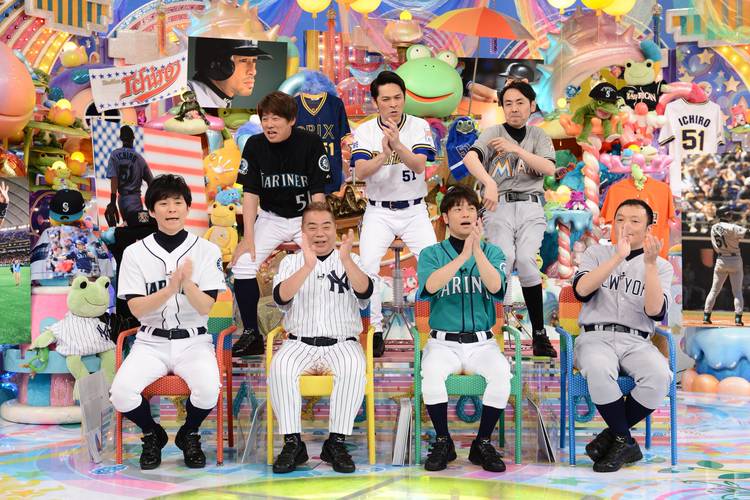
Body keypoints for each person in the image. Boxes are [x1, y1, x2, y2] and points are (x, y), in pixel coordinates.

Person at [109, 174, 226, 470]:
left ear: (187, 208)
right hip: (150, 342)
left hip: (194, 341)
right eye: (163, 203)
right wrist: (170, 289)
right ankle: (153, 434)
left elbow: (206, 306)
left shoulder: (207, 250)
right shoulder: (134, 253)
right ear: (151, 211)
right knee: (120, 393)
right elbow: (136, 309)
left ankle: (189, 433)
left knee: (209, 389)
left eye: (177, 202)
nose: (171, 209)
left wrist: (186, 285)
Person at [268, 202, 373, 474]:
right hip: (299, 342)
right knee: (280, 367)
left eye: (326, 226)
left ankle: (336, 443)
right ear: (302, 231)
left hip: (342, 343)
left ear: (335, 229)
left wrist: (347, 261)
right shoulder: (291, 261)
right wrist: (307, 266)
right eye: (312, 227)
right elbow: (281, 298)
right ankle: (293, 443)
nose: (319, 233)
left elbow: (365, 292)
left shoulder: (351, 259)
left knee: (353, 367)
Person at [572, 199, 673, 473]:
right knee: (598, 368)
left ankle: (616, 438)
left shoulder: (661, 266)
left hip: (636, 341)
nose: (625, 225)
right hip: (596, 337)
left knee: (659, 376)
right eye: (620, 219)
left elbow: (655, 311)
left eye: (634, 221)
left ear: (648, 228)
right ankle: (624, 441)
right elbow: (581, 291)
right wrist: (617, 256)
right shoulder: (596, 253)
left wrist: (649, 265)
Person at [417, 185, 510, 472]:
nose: (466, 213)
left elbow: (495, 288)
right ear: (446, 217)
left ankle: (482, 443)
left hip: (482, 343)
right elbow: (431, 286)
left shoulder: (493, 252)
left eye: (471, 208)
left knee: (502, 373)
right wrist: (461, 257)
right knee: (431, 373)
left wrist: (477, 251)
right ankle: (443, 441)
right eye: (458, 209)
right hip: (443, 343)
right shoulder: (431, 253)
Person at [230, 91, 330, 357]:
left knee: (324, 263)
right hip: (271, 217)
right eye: (265, 118)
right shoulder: (254, 144)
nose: (269, 124)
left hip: (304, 218)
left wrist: (319, 229)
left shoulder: (310, 142)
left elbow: (318, 193)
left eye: (275, 118)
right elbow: (250, 194)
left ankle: (322, 328)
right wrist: (248, 237)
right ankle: (251, 333)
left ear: (291, 120)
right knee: (243, 265)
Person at [462, 80, 558, 358]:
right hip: (499, 205)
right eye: (508, 103)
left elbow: (548, 168)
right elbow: (470, 159)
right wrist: (489, 182)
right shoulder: (493, 132)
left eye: (520, 103)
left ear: (531, 105)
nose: (514, 108)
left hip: (530, 206)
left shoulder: (539, 135)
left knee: (526, 260)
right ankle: (490, 330)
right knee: (502, 259)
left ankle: (539, 333)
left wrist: (516, 150)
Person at [350, 70, 437, 357]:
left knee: (434, 264)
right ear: (376, 102)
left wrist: (398, 144)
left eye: (397, 97)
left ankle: (434, 329)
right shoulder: (365, 131)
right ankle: (374, 331)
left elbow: (420, 165)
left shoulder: (419, 126)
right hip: (379, 211)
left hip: (414, 209)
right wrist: (384, 155)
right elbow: (361, 171)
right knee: (367, 267)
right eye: (386, 99)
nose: (393, 104)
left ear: (404, 98)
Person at [189, 37, 271, 108]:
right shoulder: (187, 94)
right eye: (243, 60)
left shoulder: (221, 102)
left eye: (254, 60)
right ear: (218, 65)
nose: (253, 71)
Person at [106, 126, 153, 226]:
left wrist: (113, 202)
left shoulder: (114, 154)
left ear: (121, 138)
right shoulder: (139, 158)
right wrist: (151, 204)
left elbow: (114, 178)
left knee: (128, 226)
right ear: (133, 138)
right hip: (134, 199)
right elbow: (151, 181)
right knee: (140, 226)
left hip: (121, 199)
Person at [703, 222, 747, 326]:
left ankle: (706, 316)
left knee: (714, 290)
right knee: (737, 292)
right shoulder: (731, 226)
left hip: (721, 259)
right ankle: (738, 319)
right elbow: (747, 232)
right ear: (728, 215)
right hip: (735, 259)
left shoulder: (713, 227)